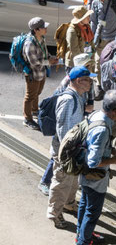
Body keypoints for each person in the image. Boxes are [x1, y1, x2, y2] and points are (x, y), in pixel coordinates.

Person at [76, 90, 116, 245]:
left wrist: (113, 151)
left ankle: (82, 234)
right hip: (94, 179)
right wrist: (115, 160)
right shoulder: (103, 129)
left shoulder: (96, 115)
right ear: (114, 111)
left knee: (84, 204)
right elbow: (93, 162)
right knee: (92, 212)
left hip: (84, 174)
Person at [38, 53, 96, 196]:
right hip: (66, 132)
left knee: (67, 160)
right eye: (88, 65)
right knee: (58, 157)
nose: (91, 66)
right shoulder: (68, 85)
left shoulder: (87, 80)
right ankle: (45, 182)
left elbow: (89, 98)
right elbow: (63, 111)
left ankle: (70, 184)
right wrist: (67, 143)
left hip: (77, 123)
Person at [47, 66, 97, 229]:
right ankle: (54, 213)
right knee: (61, 182)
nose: (91, 83)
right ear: (78, 81)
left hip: (75, 150)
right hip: (66, 151)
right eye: (88, 80)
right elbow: (63, 129)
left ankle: (69, 203)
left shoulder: (78, 96)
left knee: (72, 180)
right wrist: (68, 153)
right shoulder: (68, 99)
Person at [23, 17, 58, 130]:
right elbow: (34, 63)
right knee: (30, 96)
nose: (46, 29)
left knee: (37, 93)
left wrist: (51, 58)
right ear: (36, 30)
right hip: (33, 74)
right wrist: (48, 62)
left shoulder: (42, 38)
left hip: (41, 72)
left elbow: (45, 54)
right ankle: (27, 119)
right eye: (43, 27)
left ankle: (34, 111)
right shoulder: (29, 43)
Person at [65, 6, 94, 72]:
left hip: (86, 61)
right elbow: (75, 50)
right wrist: (85, 61)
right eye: (87, 17)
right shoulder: (72, 31)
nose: (89, 18)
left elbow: (91, 42)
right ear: (81, 19)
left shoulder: (87, 27)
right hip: (75, 64)